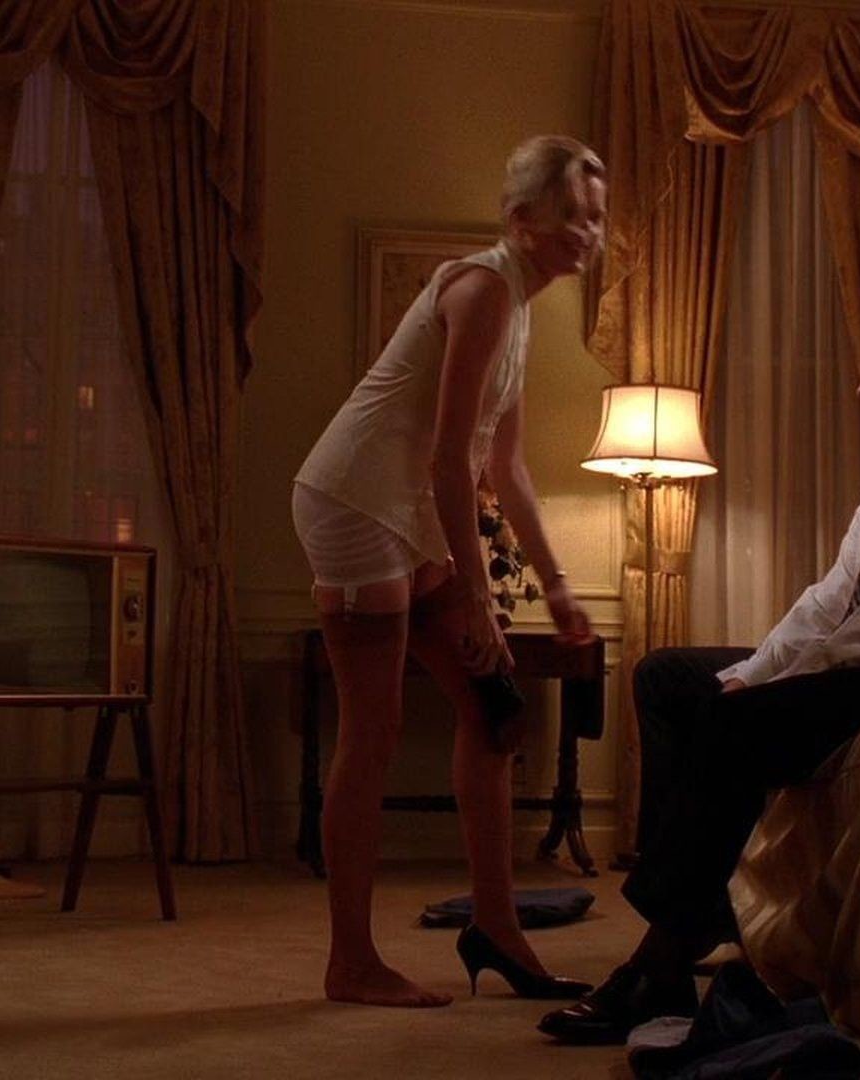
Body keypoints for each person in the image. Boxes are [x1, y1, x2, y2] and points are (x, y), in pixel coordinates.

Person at [539, 314, 860, 1043]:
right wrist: (753, 670)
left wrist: (770, 685)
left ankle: (661, 960)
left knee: (735, 718)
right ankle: (702, 911)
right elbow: (828, 603)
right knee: (668, 677)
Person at [293, 136, 605, 1008]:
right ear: (520, 219)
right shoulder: (481, 289)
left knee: (494, 712)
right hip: (355, 502)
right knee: (374, 730)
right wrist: (475, 593)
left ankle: (496, 928)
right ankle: (351, 963)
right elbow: (444, 458)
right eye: (572, 214)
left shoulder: (522, 309)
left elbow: (506, 466)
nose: (588, 231)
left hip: (411, 512)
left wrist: (555, 583)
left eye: (596, 217)